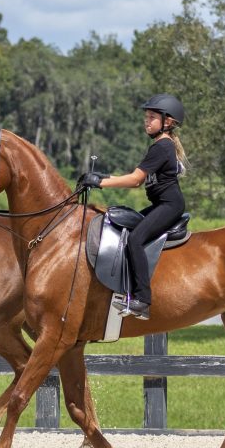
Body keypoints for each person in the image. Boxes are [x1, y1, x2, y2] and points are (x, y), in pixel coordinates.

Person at [79, 94, 187, 320]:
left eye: (152, 117)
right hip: (162, 204)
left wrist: (100, 183)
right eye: (145, 117)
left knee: (135, 239)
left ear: (167, 122)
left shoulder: (162, 147)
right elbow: (133, 177)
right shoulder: (159, 145)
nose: (146, 121)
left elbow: (135, 180)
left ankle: (142, 300)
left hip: (169, 205)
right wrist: (103, 175)